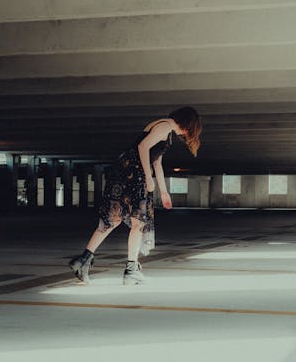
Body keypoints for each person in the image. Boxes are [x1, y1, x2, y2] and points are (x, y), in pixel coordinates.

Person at [68, 106, 202, 285]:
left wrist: (163, 191)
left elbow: (157, 162)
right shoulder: (165, 127)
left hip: (126, 172)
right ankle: (131, 270)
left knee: (113, 219)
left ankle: (83, 261)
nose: (188, 134)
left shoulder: (165, 128)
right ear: (188, 124)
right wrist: (147, 177)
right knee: (138, 222)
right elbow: (143, 147)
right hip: (133, 175)